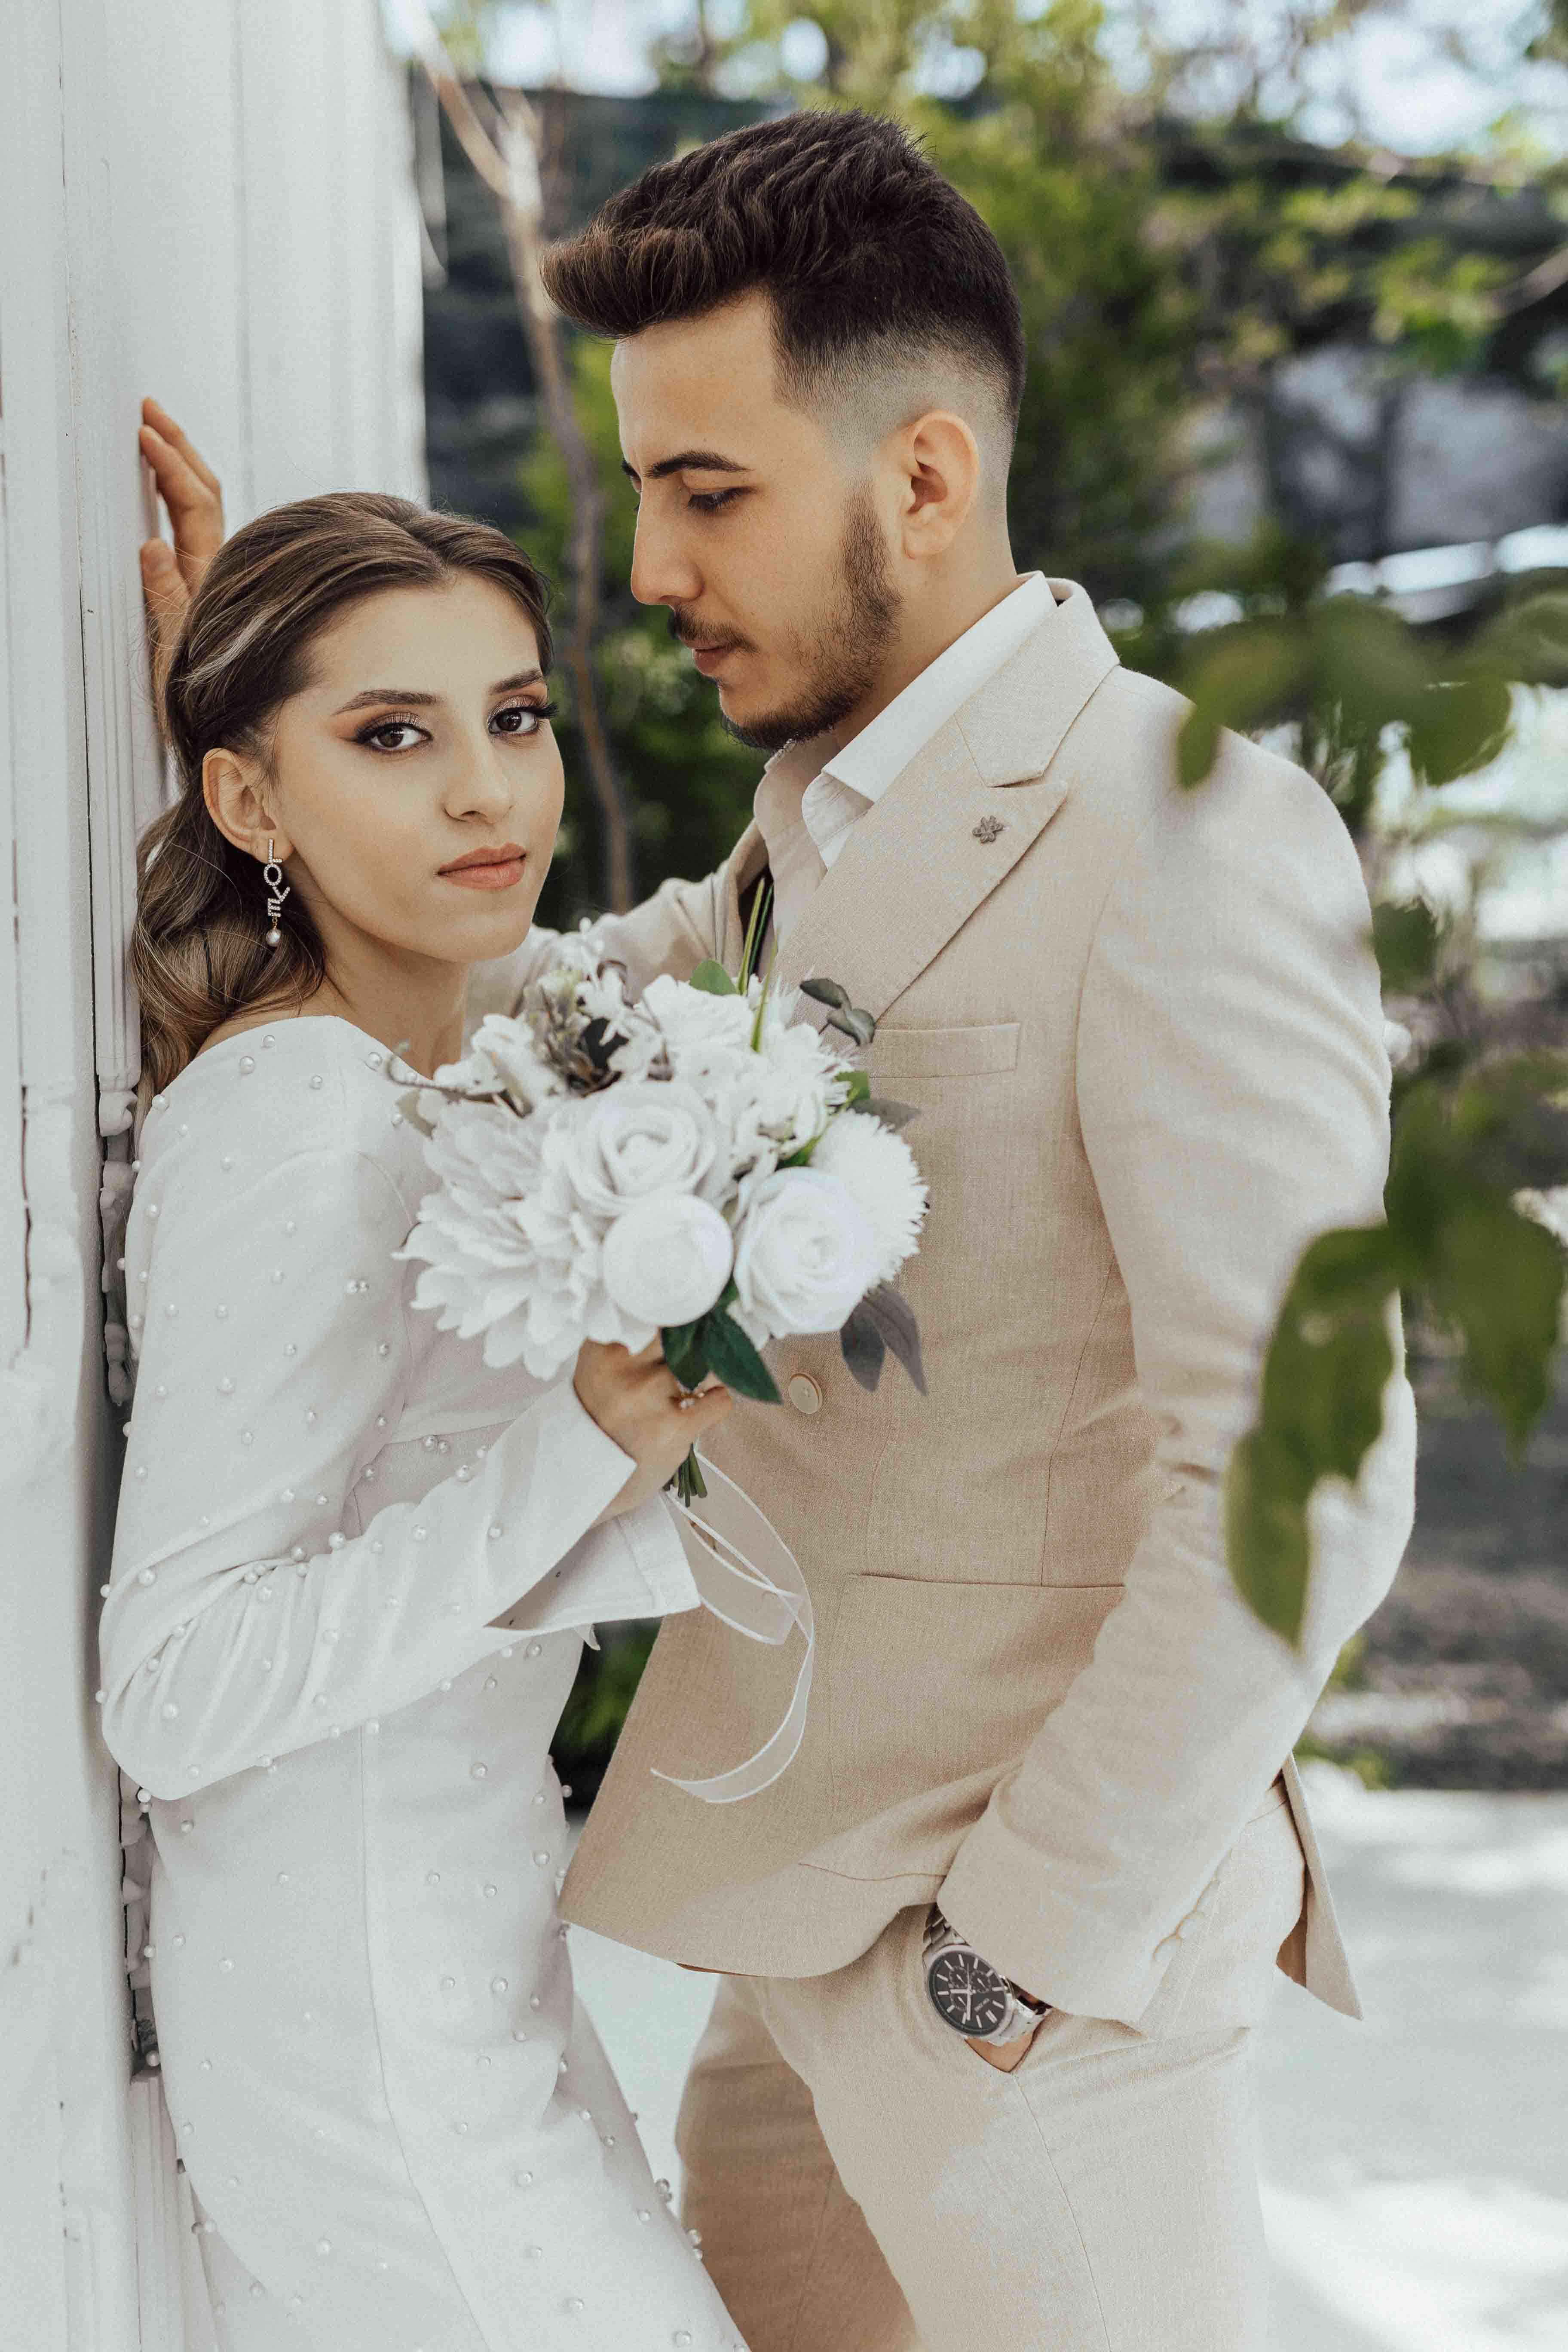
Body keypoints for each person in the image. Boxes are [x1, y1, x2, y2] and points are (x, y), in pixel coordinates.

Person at [140, 104, 1417, 2352]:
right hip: (788, 1960)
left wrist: (1012, 1954)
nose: (648, 571)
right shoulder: (804, 827)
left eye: (704, 492)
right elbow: (531, 999)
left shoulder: (1183, 837)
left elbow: (1305, 1475)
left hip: (1033, 1997)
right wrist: (281, 725)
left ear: (921, 481)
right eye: (646, 490)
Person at [101, 486, 746, 2352]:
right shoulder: (295, 1114)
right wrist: (583, 1453)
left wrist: (275, 734)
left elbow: (595, 989)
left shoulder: (451, 1036)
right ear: (249, 800)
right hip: (365, 2042)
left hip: (474, 1965)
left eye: (515, 717)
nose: (489, 794)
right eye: (396, 737)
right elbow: (170, 1686)